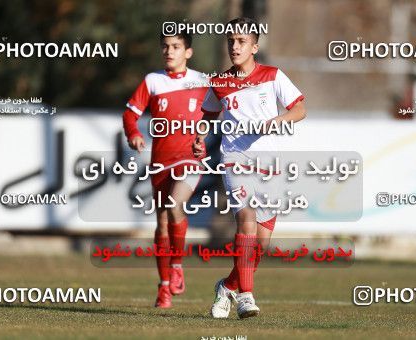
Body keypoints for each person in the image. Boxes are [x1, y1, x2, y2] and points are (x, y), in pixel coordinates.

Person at [193, 17, 306, 319]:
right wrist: (199, 140)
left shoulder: (272, 76)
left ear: (254, 46)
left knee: (262, 244)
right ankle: (245, 296)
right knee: (246, 219)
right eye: (231, 40)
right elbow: (207, 118)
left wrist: (277, 121)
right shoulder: (218, 83)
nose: (234, 46)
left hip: (269, 164)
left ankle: (226, 287)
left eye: (241, 41)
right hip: (235, 159)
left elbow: (299, 109)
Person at [123, 31, 208, 308]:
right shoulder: (153, 81)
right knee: (161, 225)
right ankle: (163, 288)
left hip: (189, 159)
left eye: (175, 47)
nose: (169, 52)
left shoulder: (202, 81)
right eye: (165, 47)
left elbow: (217, 115)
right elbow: (130, 114)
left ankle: (178, 265)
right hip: (161, 162)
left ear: (188, 52)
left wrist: (202, 138)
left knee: (175, 205)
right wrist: (134, 133)